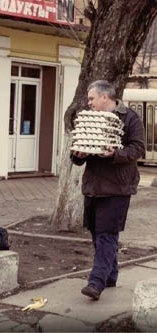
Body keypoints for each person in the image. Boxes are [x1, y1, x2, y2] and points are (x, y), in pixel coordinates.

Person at [71, 80, 145, 301]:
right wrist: (78, 155)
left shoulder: (129, 118)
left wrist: (114, 154)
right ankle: (110, 275)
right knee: (96, 233)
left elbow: (138, 148)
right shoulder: (88, 119)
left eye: (92, 98)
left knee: (106, 235)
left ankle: (96, 283)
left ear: (105, 97)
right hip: (93, 186)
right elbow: (76, 153)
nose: (89, 102)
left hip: (117, 188)